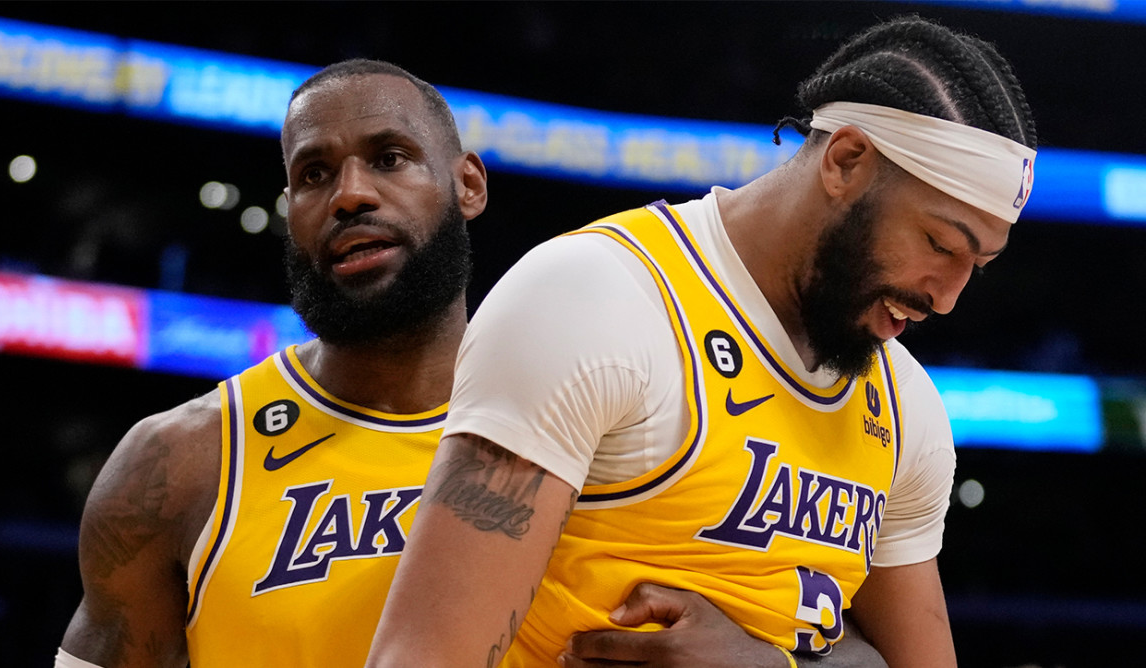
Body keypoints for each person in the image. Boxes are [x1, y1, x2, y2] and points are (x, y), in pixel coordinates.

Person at [55, 59, 881, 667]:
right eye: (313, 174)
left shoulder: (626, 418)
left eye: (388, 157)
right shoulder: (179, 464)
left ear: (469, 185)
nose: (349, 193)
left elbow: (860, 647)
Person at [368, 15, 1036, 668]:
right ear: (846, 161)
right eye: (939, 244)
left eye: (975, 266)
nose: (946, 297)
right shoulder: (592, 300)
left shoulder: (907, 407)